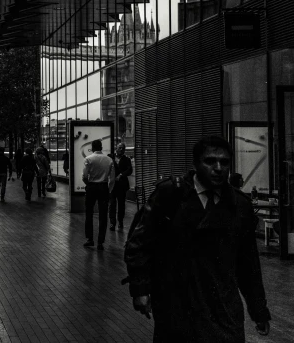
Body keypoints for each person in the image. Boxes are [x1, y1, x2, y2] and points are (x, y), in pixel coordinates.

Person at [124, 136, 271, 340]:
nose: (218, 168)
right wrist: (140, 289)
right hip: (178, 304)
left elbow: (248, 265)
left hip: (223, 308)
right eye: (210, 161)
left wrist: (258, 310)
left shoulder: (240, 205)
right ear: (195, 164)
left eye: (225, 162)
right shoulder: (170, 195)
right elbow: (138, 244)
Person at [82, 139, 115, 250]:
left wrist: (88, 184)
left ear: (92, 147)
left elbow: (85, 176)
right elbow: (112, 179)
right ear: (101, 147)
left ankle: (90, 239)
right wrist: (109, 190)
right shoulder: (109, 160)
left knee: (89, 213)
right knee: (103, 215)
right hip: (103, 187)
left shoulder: (88, 159)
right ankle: (100, 242)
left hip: (92, 187)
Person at [109, 142, 133, 231]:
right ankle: (112, 223)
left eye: (123, 148)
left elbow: (130, 170)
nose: (121, 149)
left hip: (122, 185)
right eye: (120, 148)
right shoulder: (110, 157)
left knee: (121, 204)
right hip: (112, 184)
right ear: (116, 148)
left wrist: (122, 175)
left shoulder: (127, 159)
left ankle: (120, 221)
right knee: (112, 204)